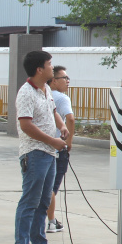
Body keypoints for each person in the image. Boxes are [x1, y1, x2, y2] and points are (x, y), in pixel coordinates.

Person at [14, 50, 68, 244]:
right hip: (35, 153)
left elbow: (53, 111)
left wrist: (61, 125)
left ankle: (39, 243)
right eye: (48, 64)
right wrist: (51, 140)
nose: (51, 68)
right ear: (39, 69)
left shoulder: (45, 89)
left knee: (44, 201)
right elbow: (26, 125)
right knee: (30, 200)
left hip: (49, 153)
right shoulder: (26, 93)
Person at [46, 65, 74, 233]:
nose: (68, 81)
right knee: (52, 188)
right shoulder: (61, 98)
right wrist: (69, 142)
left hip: (42, 147)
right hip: (56, 148)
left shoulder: (43, 94)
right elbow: (70, 118)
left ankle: (48, 220)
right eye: (64, 78)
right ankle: (51, 221)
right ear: (54, 80)